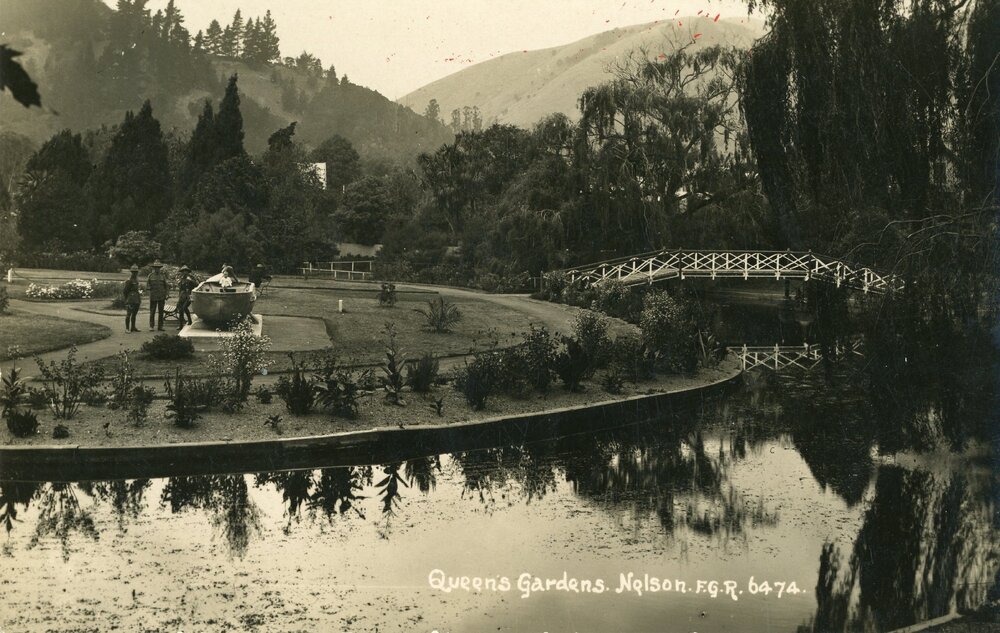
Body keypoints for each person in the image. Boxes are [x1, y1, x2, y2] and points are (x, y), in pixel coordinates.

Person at [146, 260, 169, 331]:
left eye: (158, 267)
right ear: (153, 268)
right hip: (153, 296)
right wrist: (149, 291)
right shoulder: (150, 276)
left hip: (161, 296)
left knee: (161, 312)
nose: (157, 269)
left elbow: (166, 286)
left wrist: (167, 294)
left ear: (160, 268)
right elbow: (147, 286)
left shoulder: (163, 276)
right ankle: (151, 326)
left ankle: (160, 326)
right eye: (156, 267)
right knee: (152, 312)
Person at [175, 265, 197, 329]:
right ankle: (181, 325)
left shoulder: (191, 277)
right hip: (182, 296)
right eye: (183, 271)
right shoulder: (181, 279)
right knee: (180, 310)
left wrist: (190, 280)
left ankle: (189, 320)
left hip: (189, 296)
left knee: (184, 308)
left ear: (188, 272)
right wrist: (179, 296)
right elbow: (180, 288)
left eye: (186, 271)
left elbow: (196, 285)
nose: (184, 272)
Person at [123, 265, 141, 332]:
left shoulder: (136, 280)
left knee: (134, 314)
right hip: (130, 299)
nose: (135, 273)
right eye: (134, 272)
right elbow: (125, 291)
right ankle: (127, 328)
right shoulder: (129, 280)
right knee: (129, 314)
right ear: (131, 272)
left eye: (136, 272)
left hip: (136, 299)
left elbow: (137, 290)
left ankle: (133, 327)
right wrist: (127, 299)